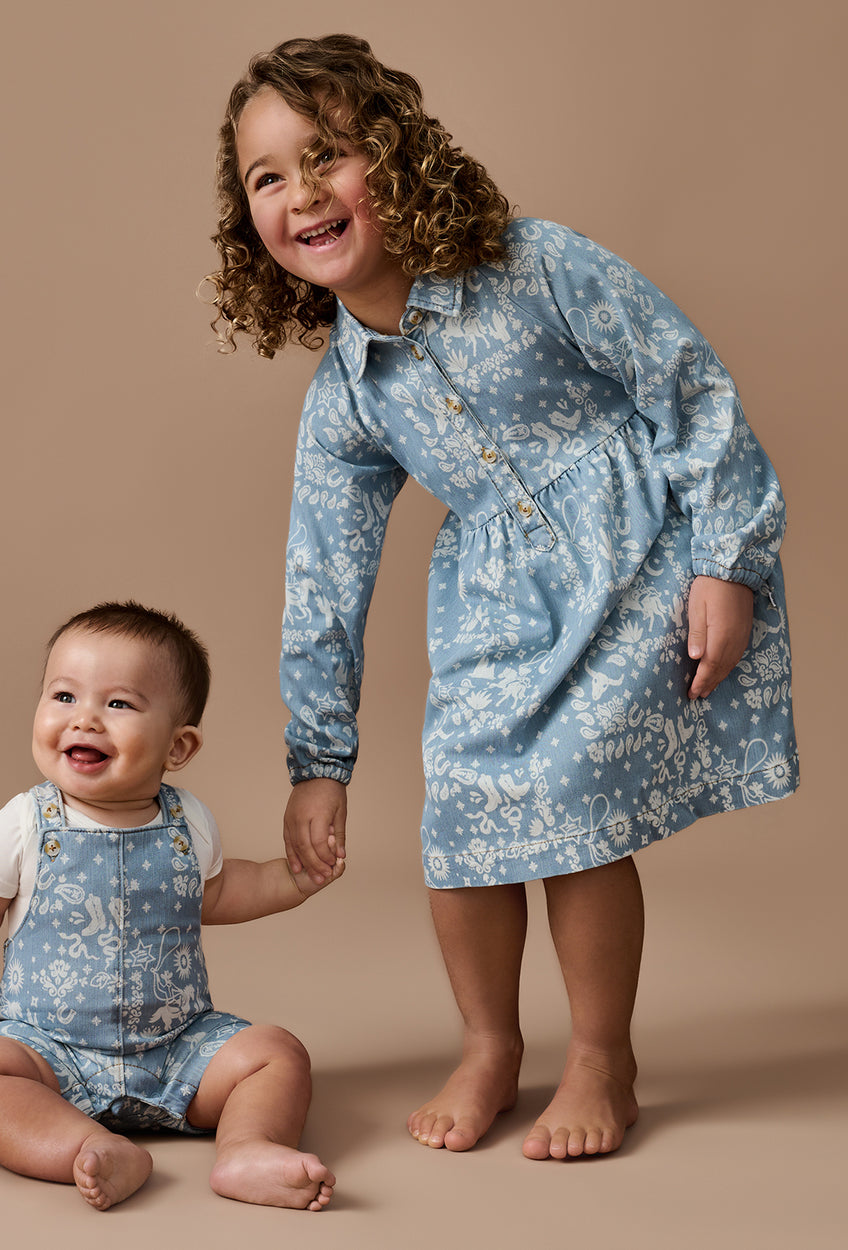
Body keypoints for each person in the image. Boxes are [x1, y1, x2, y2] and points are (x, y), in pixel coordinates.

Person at [207, 34, 799, 1161]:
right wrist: (317, 759)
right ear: (250, 223)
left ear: (394, 158)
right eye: (266, 177)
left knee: (572, 803)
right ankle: (489, 1042)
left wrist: (729, 556)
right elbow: (323, 577)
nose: (300, 193)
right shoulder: (344, 396)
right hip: (495, 604)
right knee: (463, 814)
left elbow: (686, 381)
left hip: (638, 562)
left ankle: (599, 1054)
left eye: (325, 155)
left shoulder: (534, 263)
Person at [0, 602, 339, 1211]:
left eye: (119, 704)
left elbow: (214, 894)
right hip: (48, 1053)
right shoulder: (25, 824)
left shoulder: (191, 822)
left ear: (178, 746)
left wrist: (293, 879)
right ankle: (90, 1147)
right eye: (63, 696)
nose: (85, 719)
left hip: (180, 1046)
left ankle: (248, 1147)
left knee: (278, 1054)